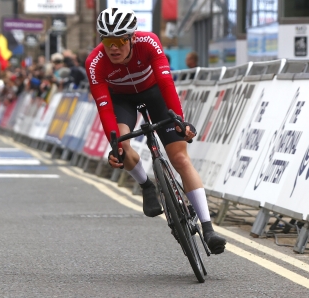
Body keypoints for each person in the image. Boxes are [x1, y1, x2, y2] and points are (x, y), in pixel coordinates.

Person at [85, 7, 226, 254]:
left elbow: (166, 83)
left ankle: (208, 228)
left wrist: (180, 122)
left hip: (154, 94)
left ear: (131, 38)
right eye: (108, 41)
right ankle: (146, 185)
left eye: (119, 41)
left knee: (180, 158)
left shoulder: (149, 42)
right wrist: (114, 143)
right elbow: (104, 107)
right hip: (122, 101)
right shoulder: (95, 63)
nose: (113, 47)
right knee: (123, 147)